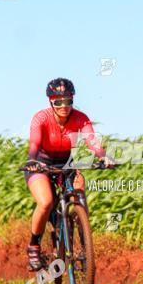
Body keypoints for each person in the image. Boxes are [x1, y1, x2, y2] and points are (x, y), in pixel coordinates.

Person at [23, 77, 106, 270]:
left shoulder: (80, 117)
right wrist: (32, 161)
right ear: (51, 102)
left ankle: (84, 245)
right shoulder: (41, 118)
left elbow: (91, 140)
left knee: (79, 190)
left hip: (66, 163)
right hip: (41, 163)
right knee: (45, 202)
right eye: (58, 102)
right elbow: (34, 143)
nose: (64, 106)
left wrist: (102, 156)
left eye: (68, 101)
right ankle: (33, 247)